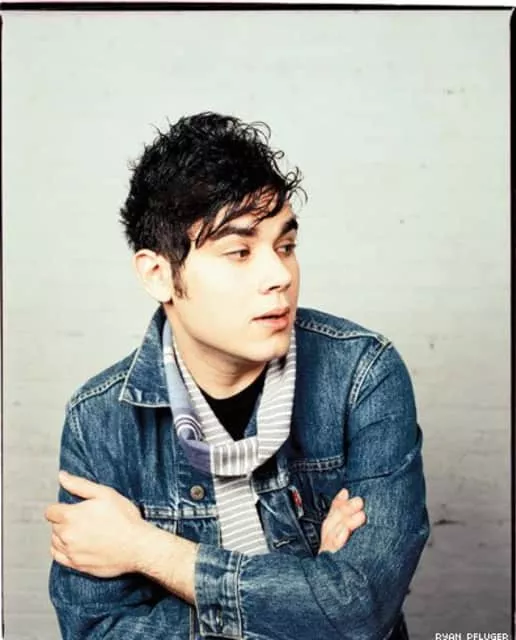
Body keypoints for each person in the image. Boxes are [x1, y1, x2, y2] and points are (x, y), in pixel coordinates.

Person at [45, 112, 429, 640]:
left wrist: (147, 550)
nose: (279, 276)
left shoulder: (362, 376)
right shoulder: (99, 420)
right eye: (240, 252)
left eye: (285, 247)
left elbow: (363, 610)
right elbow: (99, 632)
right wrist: (307, 594)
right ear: (158, 274)